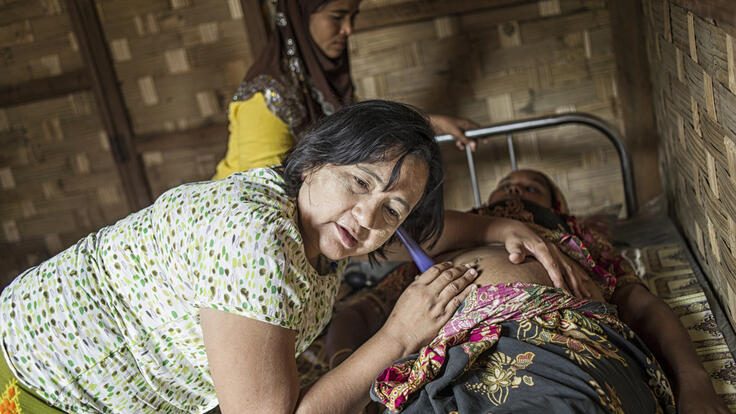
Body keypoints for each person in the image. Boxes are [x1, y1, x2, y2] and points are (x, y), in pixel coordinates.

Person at [0, 102, 584, 413]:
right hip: (44, 379)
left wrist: (502, 221)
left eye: (392, 209)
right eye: (358, 182)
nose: (365, 218)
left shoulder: (316, 215)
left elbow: (417, 233)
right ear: (312, 161)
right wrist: (399, 336)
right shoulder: (254, 239)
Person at [326, 169, 728, 413]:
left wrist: (694, 382)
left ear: (557, 207)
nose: (515, 191)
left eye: (531, 188)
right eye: (506, 185)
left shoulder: (577, 239)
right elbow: (357, 313)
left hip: (566, 341)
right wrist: (358, 388)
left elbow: (643, 305)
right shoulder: (442, 245)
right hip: (445, 360)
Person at [211, 0, 477, 181]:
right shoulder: (268, 99)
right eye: (338, 17)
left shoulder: (319, 85)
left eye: (353, 16)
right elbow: (265, 195)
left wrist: (432, 124)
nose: (349, 29)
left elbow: (362, 129)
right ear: (301, 16)